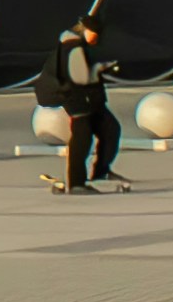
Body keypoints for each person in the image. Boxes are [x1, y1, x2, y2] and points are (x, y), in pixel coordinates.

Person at [46, 14, 123, 191]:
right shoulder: (73, 48)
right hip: (79, 101)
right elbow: (80, 78)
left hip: (91, 101)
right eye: (94, 35)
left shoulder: (77, 46)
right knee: (82, 138)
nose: (95, 40)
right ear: (85, 31)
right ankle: (76, 183)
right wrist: (100, 68)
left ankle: (100, 173)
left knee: (110, 130)